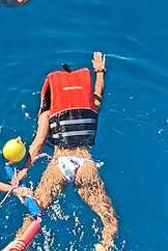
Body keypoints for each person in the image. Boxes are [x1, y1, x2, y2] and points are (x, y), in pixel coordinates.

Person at [14, 52, 118, 251]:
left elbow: (36, 146)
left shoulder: (47, 114)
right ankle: (104, 246)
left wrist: (23, 169)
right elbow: (99, 92)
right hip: (85, 165)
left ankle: (16, 247)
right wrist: (100, 71)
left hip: (59, 166)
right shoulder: (92, 107)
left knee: (35, 214)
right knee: (109, 220)